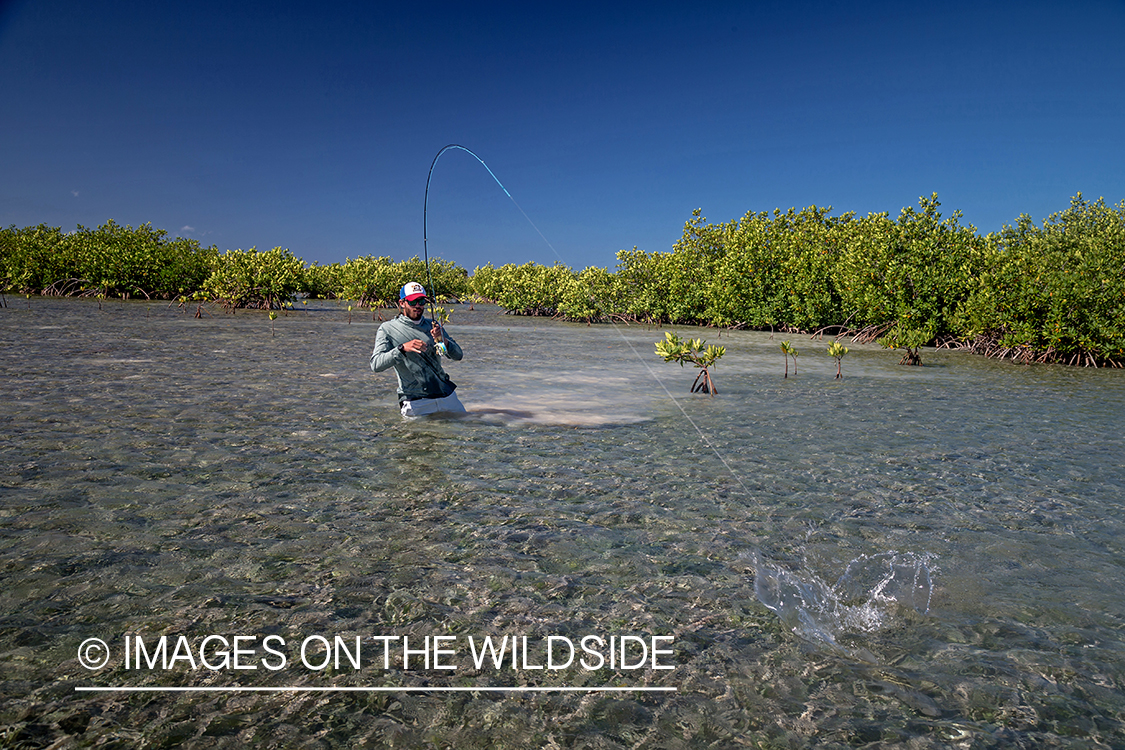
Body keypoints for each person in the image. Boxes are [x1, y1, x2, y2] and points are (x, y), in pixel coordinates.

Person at [370, 281, 466, 418]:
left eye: (421, 301)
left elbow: (458, 355)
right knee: (417, 439)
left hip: (447, 396)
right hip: (415, 402)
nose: (418, 306)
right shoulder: (387, 329)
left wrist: (444, 341)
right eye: (413, 301)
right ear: (402, 303)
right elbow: (376, 364)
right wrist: (402, 349)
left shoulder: (433, 325)